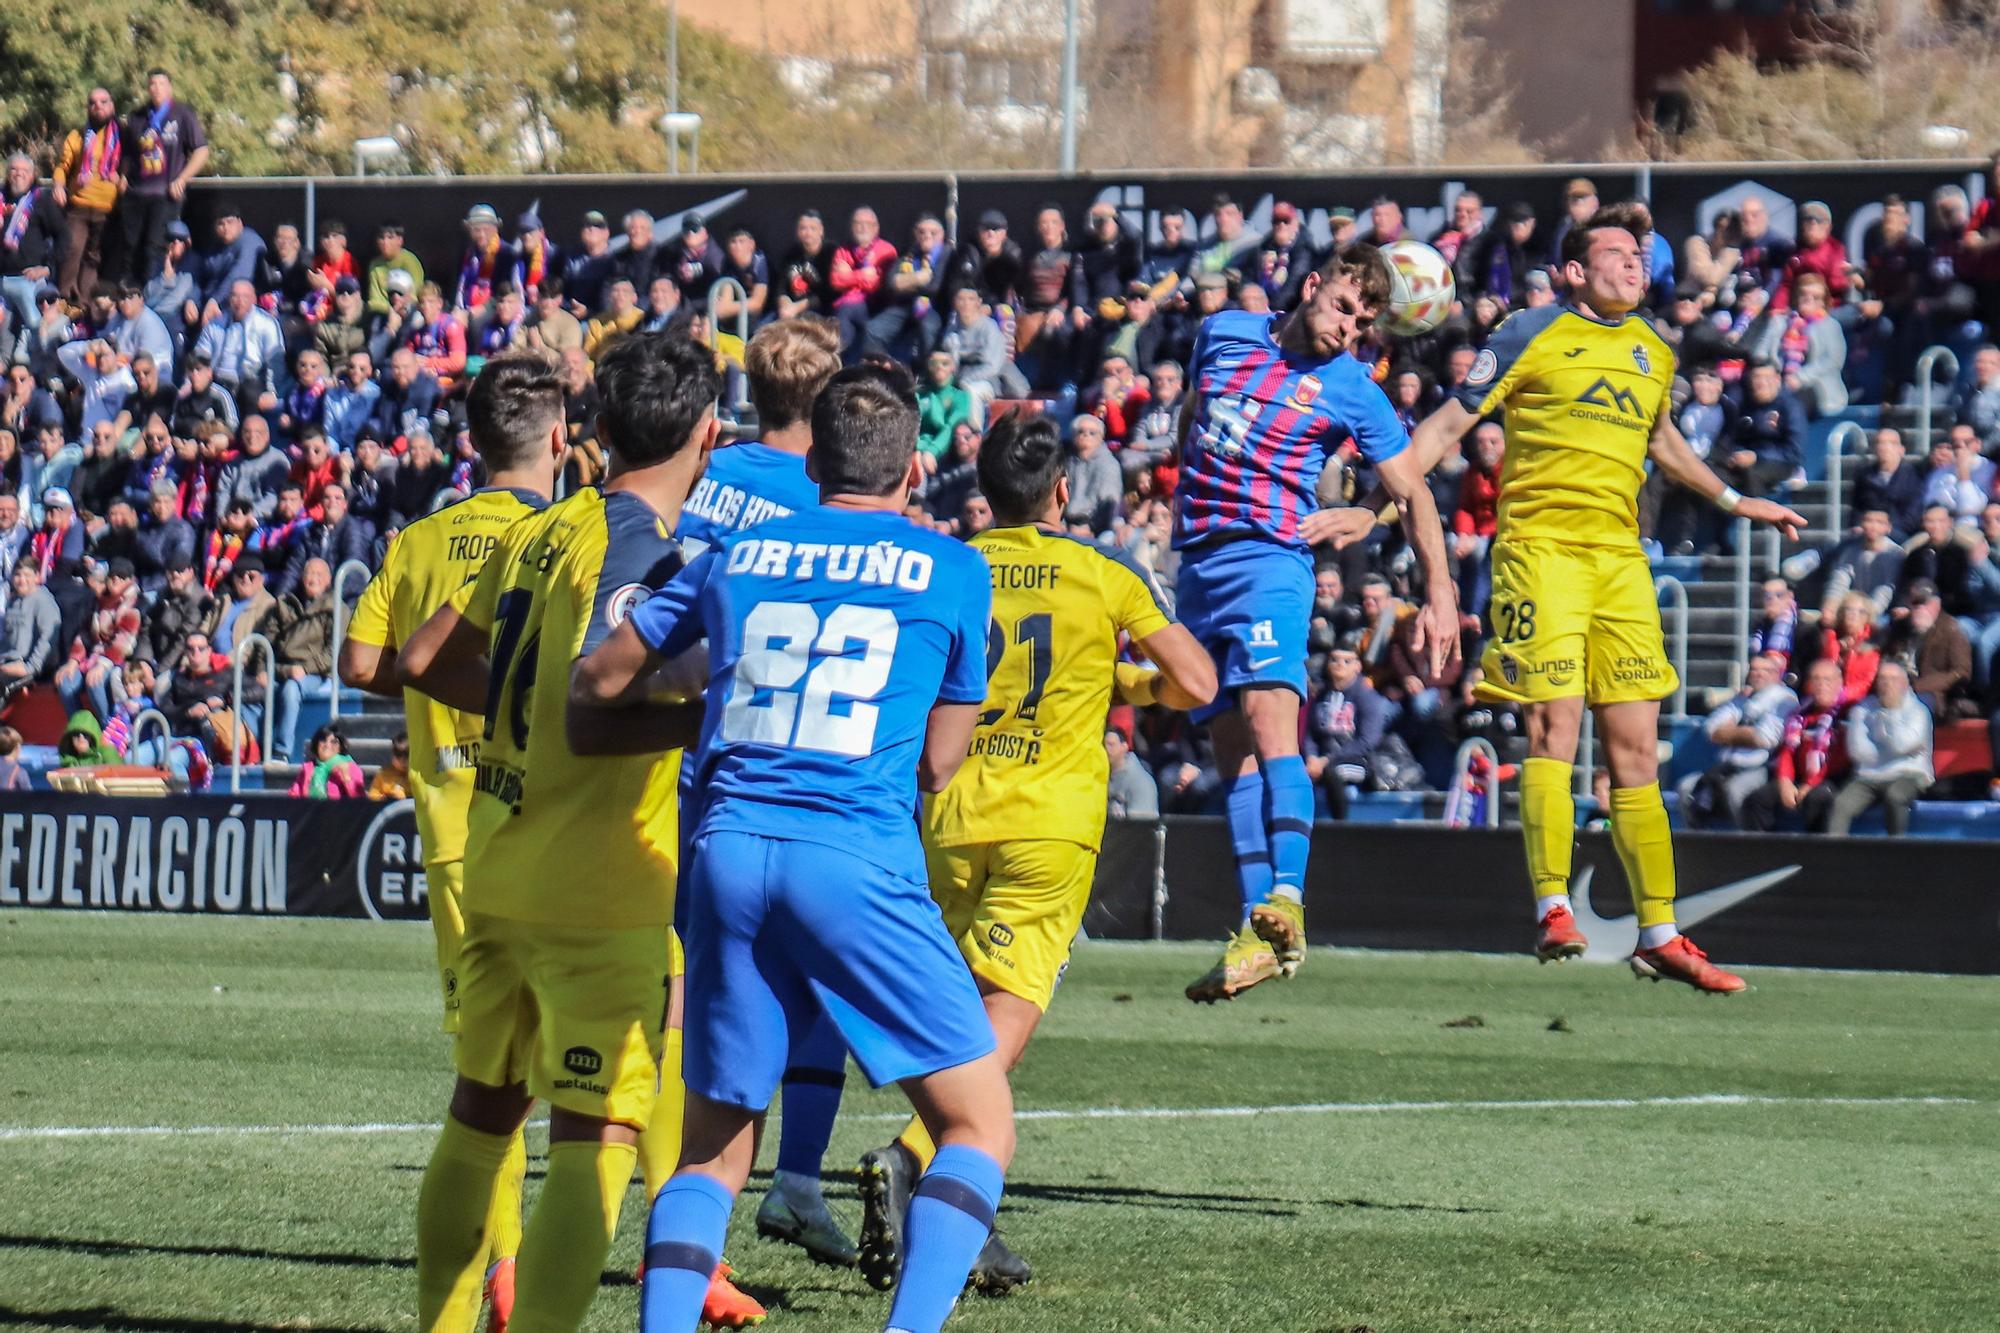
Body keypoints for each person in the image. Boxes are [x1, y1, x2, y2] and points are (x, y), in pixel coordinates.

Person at [572, 369, 1016, 1333]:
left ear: (811, 462)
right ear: (914, 471)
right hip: (854, 853)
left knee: (713, 1153)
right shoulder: (955, 568)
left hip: (727, 851)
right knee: (977, 1124)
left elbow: (603, 676)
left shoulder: (737, 551)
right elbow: (940, 765)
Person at [396, 336, 753, 1331]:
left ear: (592, 430)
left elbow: (423, 656)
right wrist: (704, 720)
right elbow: (592, 718)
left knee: (480, 1115)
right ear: (708, 435)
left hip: (500, 862)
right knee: (595, 1133)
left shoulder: (539, 530)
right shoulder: (646, 551)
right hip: (597, 892)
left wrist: (534, 707)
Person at [1379, 202, 1803, 993]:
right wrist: (1379, 501)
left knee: (1636, 750)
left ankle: (1661, 931)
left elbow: (1664, 440)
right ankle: (1550, 905)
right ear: (1575, 271)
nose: (1634, 264)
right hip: (1540, 555)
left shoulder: (1652, 347)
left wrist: (1736, 501)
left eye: (1639, 255)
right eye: (1615, 253)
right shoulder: (1527, 331)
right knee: (1553, 726)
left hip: (1620, 564)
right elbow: (1442, 428)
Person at [851, 410, 1214, 1293]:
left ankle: (968, 1220)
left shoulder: (955, 565)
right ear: (1062, 491)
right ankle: (912, 1159)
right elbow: (1197, 682)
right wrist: (1127, 678)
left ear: (986, 493)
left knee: (955, 1011)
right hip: (1046, 824)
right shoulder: (1104, 574)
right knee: (1001, 1021)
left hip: (946, 812)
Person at [338, 355, 572, 1324]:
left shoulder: (423, 537)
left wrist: (447, 688)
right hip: (558, 823)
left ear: (471, 443)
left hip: (451, 826)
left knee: (489, 1067)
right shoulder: (567, 535)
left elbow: (360, 664)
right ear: (556, 439)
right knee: (622, 1048)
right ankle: (677, 1257)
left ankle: (503, 1270)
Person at [1177, 244, 1456, 1002]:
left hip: (1271, 564)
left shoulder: (1353, 392)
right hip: (1198, 565)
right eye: (1343, 308)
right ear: (1310, 288)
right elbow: (1194, 414)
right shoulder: (1226, 332)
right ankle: (1252, 933)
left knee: (1273, 735)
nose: (1349, 328)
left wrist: (1437, 590)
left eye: (1365, 322)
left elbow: (1416, 493)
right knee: (1230, 748)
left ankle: (1290, 900)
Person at [668, 317, 857, 1274]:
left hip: (708, 760)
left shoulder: (722, 479)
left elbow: (676, 594)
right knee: (816, 980)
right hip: (807, 765)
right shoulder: (836, 496)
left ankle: (666, 1152)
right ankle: (795, 1179)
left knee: (700, 974)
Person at [1678, 652, 1796, 830]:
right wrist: (1748, 733)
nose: (1758, 674)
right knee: (1686, 788)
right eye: (1754, 669)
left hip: (1761, 768)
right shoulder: (1742, 698)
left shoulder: (1785, 699)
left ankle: (1744, 846)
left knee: (1735, 792)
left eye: (1766, 670)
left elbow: (1765, 738)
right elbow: (1710, 729)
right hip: (1725, 767)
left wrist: (1729, 732)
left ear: (1777, 673)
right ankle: (1700, 843)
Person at [119, 70, 208, 284]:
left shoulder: (182, 114)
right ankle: (129, 297)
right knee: (130, 248)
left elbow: (201, 151)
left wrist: (182, 178)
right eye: (152, 84)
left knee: (155, 248)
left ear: (170, 87)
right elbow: (128, 153)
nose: (156, 88)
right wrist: (122, 176)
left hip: (164, 195)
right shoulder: (137, 116)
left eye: (161, 83)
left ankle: (151, 297)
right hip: (136, 193)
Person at [1740, 658, 1848, 834]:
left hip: (1831, 778)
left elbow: (1839, 759)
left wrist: (1810, 784)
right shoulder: (1800, 713)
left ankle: (1815, 856)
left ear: (1839, 683)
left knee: (1817, 799)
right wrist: (1784, 781)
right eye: (1815, 679)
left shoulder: (1846, 713)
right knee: (1757, 800)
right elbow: (1788, 751)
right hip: (1800, 777)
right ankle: (1766, 854)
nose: (1821, 685)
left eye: (1827, 680)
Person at [1827, 660, 1932, 836]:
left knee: (1895, 796)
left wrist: (1889, 714)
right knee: (1841, 803)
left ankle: (1895, 850)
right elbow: (1857, 751)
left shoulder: (1918, 711)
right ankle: (1832, 855)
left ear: (1905, 683)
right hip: (1869, 776)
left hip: (1909, 773)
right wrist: (1888, 751)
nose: (1887, 684)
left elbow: (1901, 745)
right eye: (1882, 679)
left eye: (1893, 679)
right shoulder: (1862, 709)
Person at [1304, 638, 1392, 820]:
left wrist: (1327, 761)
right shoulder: (1321, 696)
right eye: (1334, 659)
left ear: (1357, 666)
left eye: (1346, 661)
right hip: (1320, 760)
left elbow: (1367, 741)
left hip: (1358, 762)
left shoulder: (1367, 697)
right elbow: (1310, 734)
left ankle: (1341, 825)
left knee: (1333, 772)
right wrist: (1312, 757)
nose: (1339, 665)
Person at [53, 88, 124, 305]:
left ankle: (85, 304)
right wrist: (57, 185)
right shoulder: (77, 136)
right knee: (72, 250)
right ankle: (65, 300)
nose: (98, 106)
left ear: (112, 105)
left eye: (103, 101)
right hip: (79, 205)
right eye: (92, 102)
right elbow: (62, 167)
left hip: (108, 208)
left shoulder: (123, 136)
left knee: (93, 258)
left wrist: (123, 178)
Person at [1851, 428, 1924, 542]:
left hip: (1900, 535)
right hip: (1867, 532)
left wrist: (1884, 529)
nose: (1884, 447)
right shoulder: (1865, 476)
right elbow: (1857, 509)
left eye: (1891, 443)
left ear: (1902, 449)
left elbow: (1913, 516)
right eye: (1879, 442)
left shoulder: (1914, 477)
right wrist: (1859, 526)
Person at [288, 723, 365, 798]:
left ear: (340, 747)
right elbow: (294, 795)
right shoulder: (307, 768)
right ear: (316, 743)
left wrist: (346, 777)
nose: (327, 745)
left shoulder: (350, 767)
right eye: (323, 740)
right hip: (309, 810)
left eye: (334, 742)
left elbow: (360, 801)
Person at [1105, 726, 1158, 819]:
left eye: (1111, 745)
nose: (1106, 749)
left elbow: (1141, 826)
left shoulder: (1141, 782)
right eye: (1104, 745)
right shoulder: (1100, 773)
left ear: (1124, 747)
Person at [367, 731, 411, 801]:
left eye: (407, 756)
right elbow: (373, 794)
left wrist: (405, 798)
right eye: (398, 756)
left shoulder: (417, 776)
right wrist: (384, 798)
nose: (403, 762)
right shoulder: (383, 773)